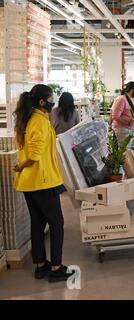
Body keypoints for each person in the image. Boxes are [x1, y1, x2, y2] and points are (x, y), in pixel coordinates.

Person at [13, 84, 74, 283]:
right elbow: (35, 154)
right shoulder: (39, 121)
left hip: (30, 183)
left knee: (37, 223)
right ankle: (56, 267)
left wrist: (22, 166)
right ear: (42, 102)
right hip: (43, 181)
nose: (52, 102)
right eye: (51, 99)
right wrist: (22, 164)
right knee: (57, 224)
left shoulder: (27, 119)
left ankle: (40, 266)